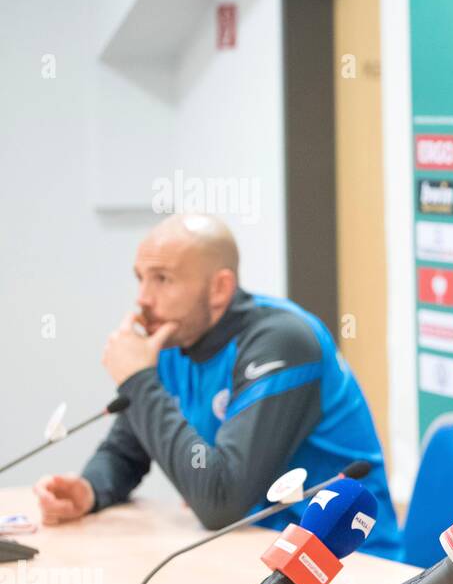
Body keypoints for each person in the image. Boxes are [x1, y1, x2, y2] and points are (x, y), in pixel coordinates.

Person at [33, 213, 397, 539]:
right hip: (250, 554)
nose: (143, 298)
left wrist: (138, 380)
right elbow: (125, 451)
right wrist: (91, 489)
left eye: (162, 279)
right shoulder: (174, 340)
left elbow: (222, 501)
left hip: (345, 565)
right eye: (140, 278)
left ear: (220, 288)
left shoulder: (282, 342)